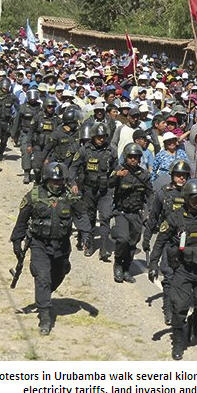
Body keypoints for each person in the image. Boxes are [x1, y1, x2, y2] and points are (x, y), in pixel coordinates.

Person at [148, 179, 197, 360]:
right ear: (186, 198)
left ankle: (194, 321)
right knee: (179, 307)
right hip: (183, 269)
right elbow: (160, 242)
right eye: (194, 199)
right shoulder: (175, 217)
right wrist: (153, 264)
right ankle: (178, 340)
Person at [10, 162, 91, 335]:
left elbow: (81, 215)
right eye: (54, 181)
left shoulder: (70, 196)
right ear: (46, 180)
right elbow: (22, 219)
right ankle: (45, 317)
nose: (57, 184)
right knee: (43, 277)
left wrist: (86, 234)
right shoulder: (34, 196)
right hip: (39, 244)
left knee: (59, 274)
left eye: (60, 181)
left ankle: (44, 293)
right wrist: (17, 240)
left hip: (61, 246)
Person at [144, 159, 191, 325]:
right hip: (168, 241)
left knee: (185, 279)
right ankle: (169, 310)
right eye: (178, 175)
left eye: (184, 176)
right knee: (169, 277)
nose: (181, 178)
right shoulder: (163, 194)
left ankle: (181, 310)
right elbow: (153, 218)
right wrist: (147, 239)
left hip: (188, 243)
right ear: (172, 176)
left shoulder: (193, 194)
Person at [68, 122, 117, 261]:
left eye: (104, 137)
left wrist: (117, 175)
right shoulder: (84, 150)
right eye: (99, 137)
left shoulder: (111, 150)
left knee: (106, 217)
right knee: (89, 217)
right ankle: (88, 244)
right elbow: (73, 168)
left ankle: (103, 248)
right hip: (88, 190)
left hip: (105, 190)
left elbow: (115, 167)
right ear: (94, 136)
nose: (102, 139)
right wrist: (73, 183)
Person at [109, 143, 153, 283]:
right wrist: (117, 176)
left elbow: (150, 194)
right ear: (126, 158)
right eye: (131, 157)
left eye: (136, 157)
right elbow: (107, 184)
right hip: (121, 212)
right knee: (123, 239)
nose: (133, 160)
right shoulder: (119, 171)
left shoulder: (144, 175)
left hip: (136, 213)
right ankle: (118, 264)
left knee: (133, 242)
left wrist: (151, 211)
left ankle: (126, 269)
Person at [11, 89, 41, 183]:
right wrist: (14, 134)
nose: (32, 98)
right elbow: (17, 122)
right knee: (25, 152)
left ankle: (38, 174)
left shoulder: (40, 107)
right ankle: (27, 173)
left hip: (37, 134)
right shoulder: (23, 107)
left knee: (38, 154)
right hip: (26, 133)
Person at [0, 78, 18, 162]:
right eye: (3, 88)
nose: (5, 90)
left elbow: (18, 107)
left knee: (4, 140)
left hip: (7, 121)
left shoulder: (11, 96)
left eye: (6, 89)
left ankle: (1, 154)